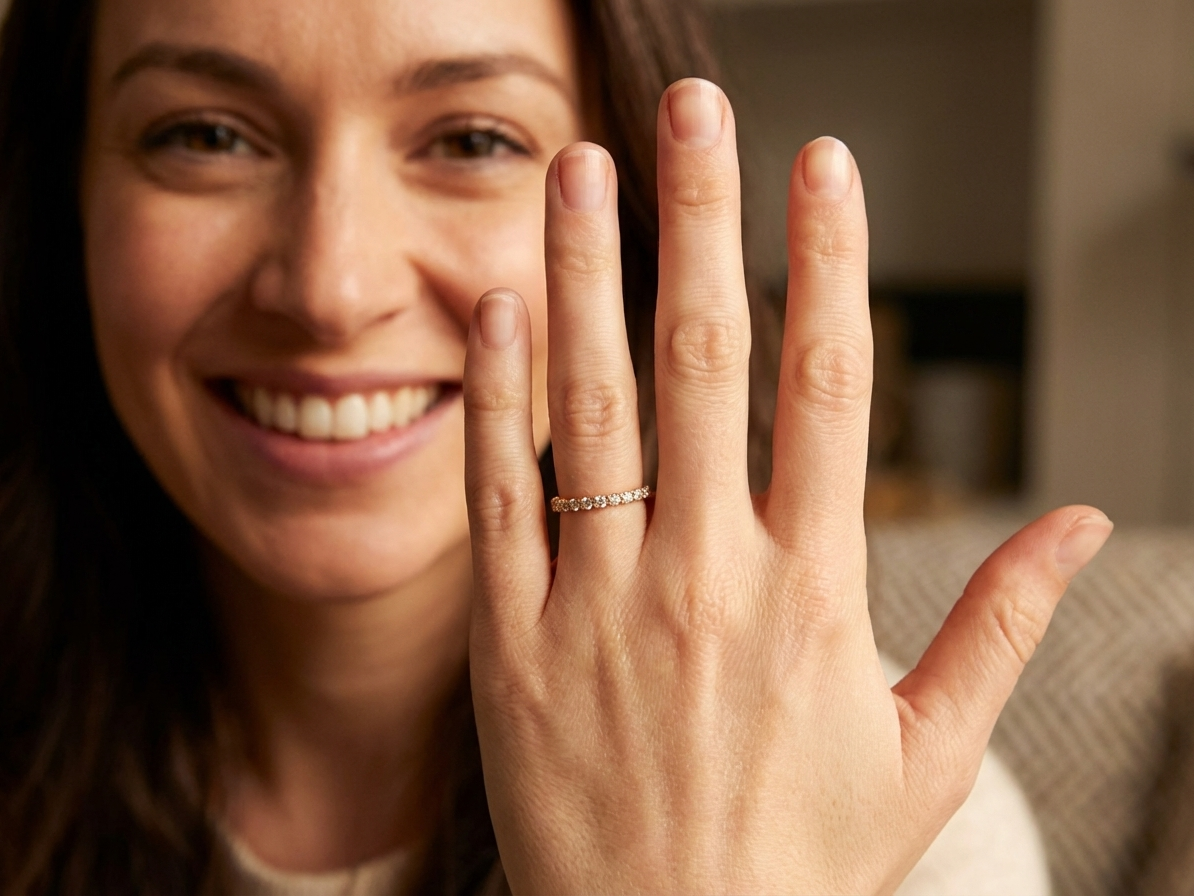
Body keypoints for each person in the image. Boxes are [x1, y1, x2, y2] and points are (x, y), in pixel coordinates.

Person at [0, 0, 1113, 892]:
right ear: (65, 203)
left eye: (473, 138)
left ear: (636, 237)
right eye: (204, 134)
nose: (331, 288)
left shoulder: (888, 834)